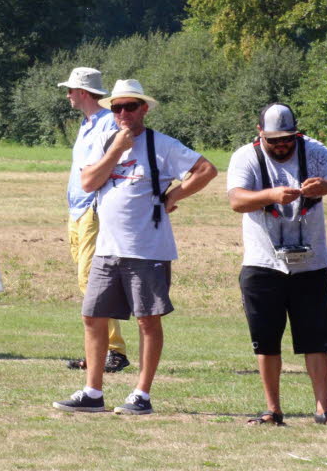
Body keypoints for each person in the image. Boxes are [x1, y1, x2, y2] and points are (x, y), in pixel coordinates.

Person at [53, 79, 218, 415]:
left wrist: (174, 196)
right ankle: (93, 392)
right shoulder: (103, 140)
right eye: (117, 107)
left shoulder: (163, 145)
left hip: (148, 250)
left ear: (144, 108)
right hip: (106, 247)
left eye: (131, 106)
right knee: (93, 316)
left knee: (147, 321)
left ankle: (141, 395)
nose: (123, 113)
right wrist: (115, 150)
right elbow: (87, 182)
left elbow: (206, 170)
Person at [227, 103, 327, 428]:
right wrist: (270, 194)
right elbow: (236, 201)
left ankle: (323, 410)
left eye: (288, 138)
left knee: (316, 340)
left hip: (311, 264)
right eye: (274, 140)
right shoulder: (246, 156)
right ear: (260, 134)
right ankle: (273, 410)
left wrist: (326, 186)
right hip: (262, 263)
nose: (282, 145)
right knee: (267, 340)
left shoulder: (314, 151)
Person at [57, 67, 129, 374]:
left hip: (93, 210)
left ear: (83, 93)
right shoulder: (87, 125)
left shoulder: (105, 124)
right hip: (76, 211)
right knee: (86, 282)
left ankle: (113, 350)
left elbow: (116, 162)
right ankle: (99, 349)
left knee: (92, 282)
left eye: (71, 90)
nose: (68, 95)